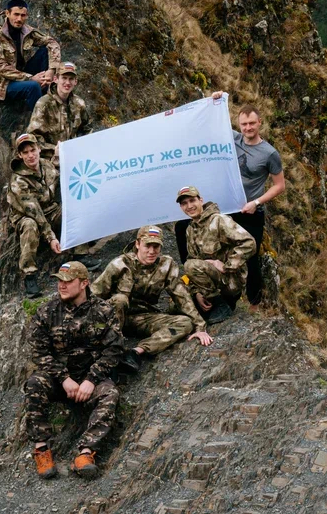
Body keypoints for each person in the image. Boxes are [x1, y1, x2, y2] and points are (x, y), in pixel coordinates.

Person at [24, 261, 124, 481]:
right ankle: (42, 450)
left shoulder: (103, 311)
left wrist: (91, 379)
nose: (62, 285)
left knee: (110, 394)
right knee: (34, 384)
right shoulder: (48, 311)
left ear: (84, 283)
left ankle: (85, 454)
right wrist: (64, 378)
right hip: (60, 380)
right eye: (59, 280)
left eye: (68, 281)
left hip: (91, 380)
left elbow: (114, 349)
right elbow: (38, 351)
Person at [92, 225, 213, 372]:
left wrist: (200, 327)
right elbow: (93, 296)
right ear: (137, 244)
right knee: (120, 300)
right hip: (113, 318)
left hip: (141, 318)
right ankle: (112, 351)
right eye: (147, 245)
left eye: (156, 246)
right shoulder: (120, 264)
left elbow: (181, 296)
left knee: (185, 323)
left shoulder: (166, 265)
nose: (151, 251)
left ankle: (136, 352)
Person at [207, 93, 285, 308]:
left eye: (252, 123)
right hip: (227, 207)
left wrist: (257, 203)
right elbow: (211, 123)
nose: (248, 128)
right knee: (221, 250)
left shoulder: (270, 154)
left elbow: (280, 186)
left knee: (251, 256)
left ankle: (255, 303)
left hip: (250, 211)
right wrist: (214, 99)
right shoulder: (233, 138)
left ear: (260, 123)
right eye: (244, 124)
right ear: (238, 124)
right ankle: (223, 297)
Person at [175, 185, 256, 324]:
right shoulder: (190, 229)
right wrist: (197, 292)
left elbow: (249, 243)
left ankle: (220, 305)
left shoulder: (219, 220)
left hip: (231, 280)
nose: (189, 206)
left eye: (192, 201)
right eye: (184, 203)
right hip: (211, 282)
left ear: (201, 200)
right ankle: (210, 300)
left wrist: (226, 266)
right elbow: (193, 259)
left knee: (190, 265)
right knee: (176, 302)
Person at [0, 0, 62, 111]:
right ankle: (43, 123)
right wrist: (30, 78)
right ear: (7, 13)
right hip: (2, 85)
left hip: (21, 74)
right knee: (33, 86)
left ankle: (44, 87)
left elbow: (52, 42)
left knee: (45, 51)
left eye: (23, 15)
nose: (19, 19)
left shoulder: (26, 31)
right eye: (16, 14)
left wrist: (51, 70)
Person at [7, 132, 61, 296]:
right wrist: (51, 237)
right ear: (19, 155)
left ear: (38, 149)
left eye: (32, 150)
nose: (30, 155)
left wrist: (59, 157)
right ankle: (29, 275)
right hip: (28, 217)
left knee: (70, 211)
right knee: (30, 226)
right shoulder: (18, 181)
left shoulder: (46, 166)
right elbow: (34, 211)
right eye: (25, 152)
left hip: (50, 211)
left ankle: (81, 252)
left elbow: (57, 175)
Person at [28, 61, 91, 164]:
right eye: (64, 78)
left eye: (71, 79)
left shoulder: (79, 104)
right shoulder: (43, 104)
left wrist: (81, 147)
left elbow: (87, 129)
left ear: (76, 82)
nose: (67, 83)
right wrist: (55, 150)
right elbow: (33, 138)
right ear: (56, 79)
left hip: (75, 158)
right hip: (50, 161)